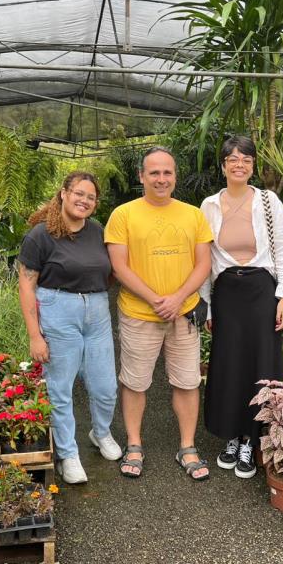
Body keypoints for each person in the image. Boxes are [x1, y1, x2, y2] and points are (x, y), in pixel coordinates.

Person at [104, 147, 213, 481]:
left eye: (167, 172)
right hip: (139, 313)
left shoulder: (193, 215)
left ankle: (188, 447)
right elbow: (119, 267)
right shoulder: (123, 215)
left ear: (175, 176)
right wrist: (156, 299)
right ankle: (134, 445)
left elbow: (204, 264)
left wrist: (178, 298)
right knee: (135, 382)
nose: (161, 179)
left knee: (188, 381)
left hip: (184, 313)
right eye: (154, 173)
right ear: (142, 177)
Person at [18, 172, 122, 485]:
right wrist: (35, 335)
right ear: (63, 193)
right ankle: (68, 454)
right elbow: (26, 286)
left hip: (97, 312)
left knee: (105, 387)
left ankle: (100, 432)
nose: (84, 201)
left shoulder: (97, 231)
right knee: (60, 389)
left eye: (90, 197)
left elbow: (110, 271)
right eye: (78, 193)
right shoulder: (40, 235)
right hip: (58, 311)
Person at [199, 135, 283, 479]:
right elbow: (205, 260)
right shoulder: (208, 205)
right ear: (223, 165)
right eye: (233, 159)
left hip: (260, 291)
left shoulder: (268, 201)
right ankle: (232, 435)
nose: (240, 165)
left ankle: (253, 439)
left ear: (253, 166)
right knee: (228, 365)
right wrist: (207, 308)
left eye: (247, 160)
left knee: (260, 365)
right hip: (226, 293)